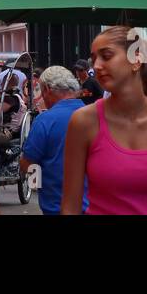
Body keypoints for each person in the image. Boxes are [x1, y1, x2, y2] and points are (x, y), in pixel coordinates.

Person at [61, 26, 147, 215]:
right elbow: (70, 206)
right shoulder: (83, 121)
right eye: (94, 58)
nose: (96, 65)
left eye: (107, 56)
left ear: (136, 60)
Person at [20, 65, 86, 214]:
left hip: (57, 206)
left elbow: (28, 164)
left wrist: (38, 184)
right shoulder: (94, 115)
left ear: (48, 90)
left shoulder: (45, 120)